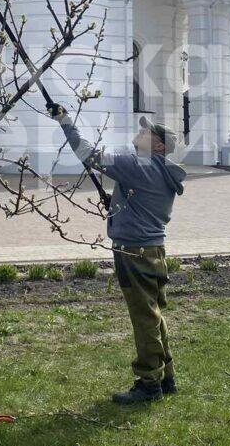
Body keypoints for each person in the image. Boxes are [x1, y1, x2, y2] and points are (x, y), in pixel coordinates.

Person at [48, 106, 186, 404]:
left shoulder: (142, 166)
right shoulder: (158, 171)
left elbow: (88, 153)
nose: (141, 132)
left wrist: (64, 120)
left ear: (159, 146)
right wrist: (119, 203)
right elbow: (142, 202)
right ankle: (167, 377)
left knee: (144, 318)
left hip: (134, 253)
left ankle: (149, 385)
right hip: (152, 251)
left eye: (148, 131)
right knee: (154, 314)